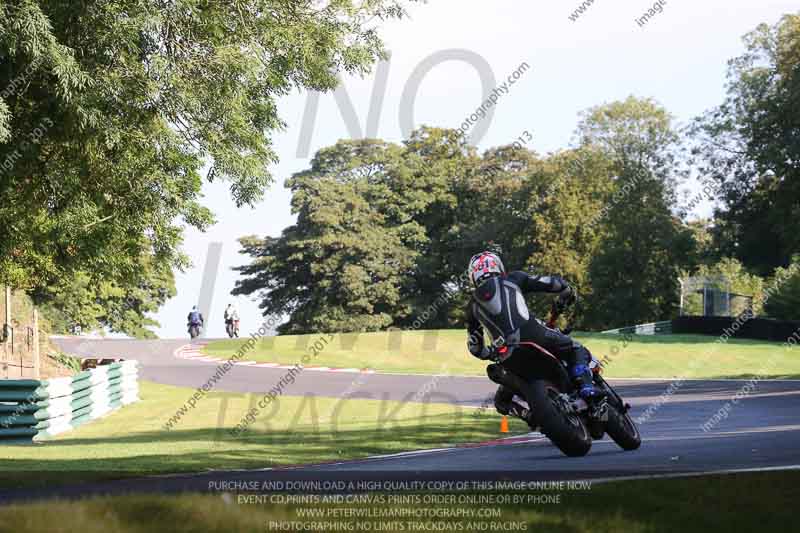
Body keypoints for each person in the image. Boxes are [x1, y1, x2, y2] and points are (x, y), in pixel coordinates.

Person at [464, 251, 605, 421]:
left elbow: (475, 347)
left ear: (473, 276)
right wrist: (567, 290)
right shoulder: (514, 278)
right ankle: (586, 389)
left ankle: (530, 417)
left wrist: (489, 353)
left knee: (501, 401)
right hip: (535, 335)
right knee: (576, 349)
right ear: (499, 267)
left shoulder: (471, 307)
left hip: (507, 356)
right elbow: (552, 283)